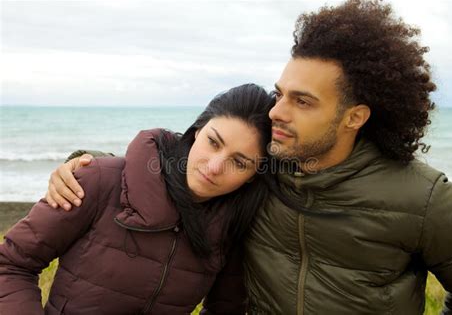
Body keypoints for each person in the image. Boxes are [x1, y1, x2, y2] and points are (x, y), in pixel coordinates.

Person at [42, 1, 452, 314]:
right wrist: (86, 162)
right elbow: (174, 160)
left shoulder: (423, 199)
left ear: (354, 117)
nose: (276, 112)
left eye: (302, 102)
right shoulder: (260, 172)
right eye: (281, 93)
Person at [0, 84, 274, 314]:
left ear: (252, 175)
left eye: (239, 162)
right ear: (198, 131)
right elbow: (12, 265)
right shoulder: (99, 180)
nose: (214, 167)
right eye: (213, 142)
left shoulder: (232, 226)